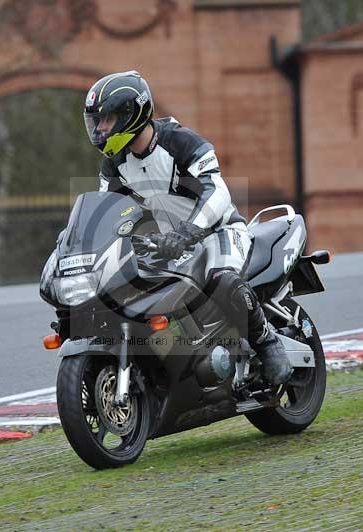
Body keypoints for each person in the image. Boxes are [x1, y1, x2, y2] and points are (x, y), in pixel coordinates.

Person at [83, 70, 290, 385]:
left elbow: (217, 192)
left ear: (130, 114)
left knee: (221, 278)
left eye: (107, 120)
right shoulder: (115, 163)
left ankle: (266, 342)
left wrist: (190, 231)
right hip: (166, 244)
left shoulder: (179, 140)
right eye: (96, 122)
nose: (100, 129)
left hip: (218, 232)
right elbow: (107, 210)